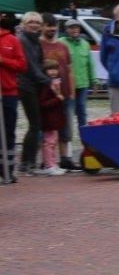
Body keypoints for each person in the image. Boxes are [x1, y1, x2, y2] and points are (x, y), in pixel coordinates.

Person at [39, 15, 75, 169]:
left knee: (65, 126)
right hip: (47, 94)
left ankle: (65, 158)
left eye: (54, 26)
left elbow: (70, 70)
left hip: (64, 93)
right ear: (42, 26)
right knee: (47, 127)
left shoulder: (63, 45)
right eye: (48, 25)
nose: (52, 29)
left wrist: (72, 91)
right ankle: (47, 160)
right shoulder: (38, 45)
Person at [16, 12, 49, 174]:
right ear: (23, 24)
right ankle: (27, 162)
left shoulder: (35, 41)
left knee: (36, 124)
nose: (34, 25)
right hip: (26, 85)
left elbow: (40, 63)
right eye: (31, 22)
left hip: (35, 85)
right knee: (35, 124)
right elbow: (30, 66)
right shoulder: (23, 40)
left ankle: (28, 161)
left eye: (37, 22)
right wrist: (47, 81)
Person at [59, 18, 95, 156]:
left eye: (77, 28)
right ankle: (67, 149)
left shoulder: (85, 44)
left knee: (82, 115)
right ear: (66, 30)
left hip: (83, 85)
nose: (74, 30)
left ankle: (86, 145)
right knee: (67, 116)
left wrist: (94, 80)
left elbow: (90, 63)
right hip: (67, 86)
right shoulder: (61, 43)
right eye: (71, 28)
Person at [0, 14, 27, 181]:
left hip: (9, 93)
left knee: (8, 132)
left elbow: (22, 65)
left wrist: (3, 60)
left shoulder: (12, 40)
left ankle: (8, 170)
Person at [35, 59, 66, 175]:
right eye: (50, 69)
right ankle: (49, 165)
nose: (53, 72)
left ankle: (53, 163)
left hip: (55, 118)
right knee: (49, 142)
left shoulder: (55, 83)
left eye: (55, 69)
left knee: (53, 141)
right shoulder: (46, 85)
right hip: (48, 118)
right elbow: (43, 103)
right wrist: (57, 99)